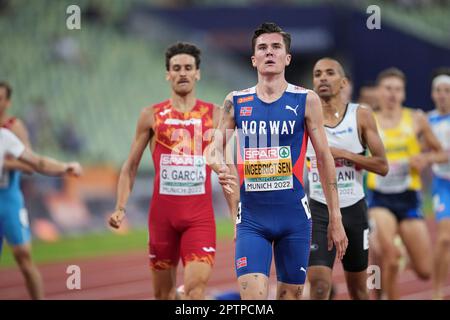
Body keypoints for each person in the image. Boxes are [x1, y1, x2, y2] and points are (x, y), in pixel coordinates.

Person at [208, 22, 348, 300]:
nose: (269, 52)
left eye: (276, 47)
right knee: (254, 300)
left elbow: (324, 158)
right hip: (251, 219)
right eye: (262, 48)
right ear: (253, 59)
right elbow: (213, 147)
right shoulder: (236, 101)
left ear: (287, 58)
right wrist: (218, 164)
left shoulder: (306, 100)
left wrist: (336, 216)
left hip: (294, 218)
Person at [108, 42, 237, 300]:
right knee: (163, 295)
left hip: (199, 218)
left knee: (195, 290)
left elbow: (228, 168)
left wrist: (236, 216)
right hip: (162, 219)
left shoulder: (215, 115)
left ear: (198, 73)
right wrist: (120, 207)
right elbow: (130, 166)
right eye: (176, 68)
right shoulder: (151, 116)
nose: (183, 73)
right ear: (168, 74)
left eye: (188, 68)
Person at [305, 58, 388, 300]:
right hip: (319, 208)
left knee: (359, 291)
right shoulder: (306, 117)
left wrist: (344, 155)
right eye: (317, 73)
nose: (322, 78)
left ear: (343, 82)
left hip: (354, 209)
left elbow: (382, 166)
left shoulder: (361, 115)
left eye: (329, 73)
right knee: (319, 286)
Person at [367, 67, 448, 299]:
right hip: (379, 198)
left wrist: (425, 158)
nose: (392, 94)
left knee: (424, 271)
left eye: (397, 90)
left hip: (409, 198)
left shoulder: (416, 119)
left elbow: (441, 153)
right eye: (388, 89)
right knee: (390, 256)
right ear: (379, 92)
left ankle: (398, 255)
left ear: (403, 94)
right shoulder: (368, 119)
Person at [0, 126, 82, 300]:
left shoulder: (10, 130)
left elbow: (34, 164)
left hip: (9, 198)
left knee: (23, 254)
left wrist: (65, 167)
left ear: (7, 102)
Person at [429, 73, 450, 299]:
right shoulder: (427, 120)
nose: (443, 95)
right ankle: (436, 292)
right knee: (444, 239)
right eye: (439, 91)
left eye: (447, 91)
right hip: (442, 185)